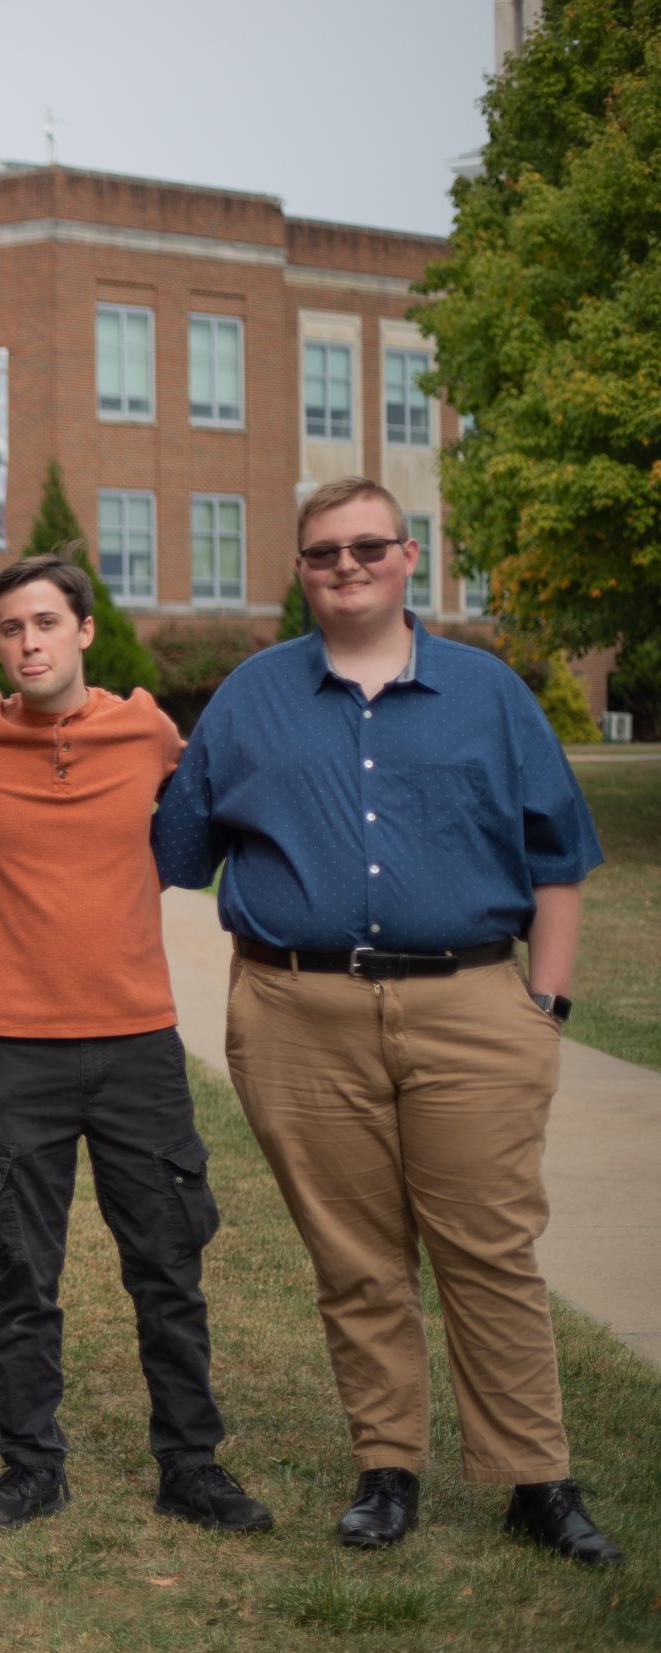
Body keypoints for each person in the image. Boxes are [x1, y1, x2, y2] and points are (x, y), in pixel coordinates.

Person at [154, 476, 620, 1566]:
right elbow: (178, 850)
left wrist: (541, 1006)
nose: (346, 566)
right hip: (295, 1012)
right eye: (323, 553)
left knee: (488, 1250)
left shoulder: (487, 693)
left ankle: (533, 1478)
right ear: (301, 571)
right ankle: (386, 1469)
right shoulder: (250, 697)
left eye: (368, 547)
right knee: (355, 1257)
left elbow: (558, 858)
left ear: (411, 558)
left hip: (471, 1009)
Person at [0, 554, 272, 1535]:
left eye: (44, 622)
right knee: (22, 1269)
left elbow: (212, 819)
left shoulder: (148, 730)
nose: (27, 642)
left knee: (167, 1261)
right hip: (16, 1043)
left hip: (136, 1041)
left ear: (84, 630)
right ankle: (30, 1466)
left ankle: (191, 1465)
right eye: (8, 628)